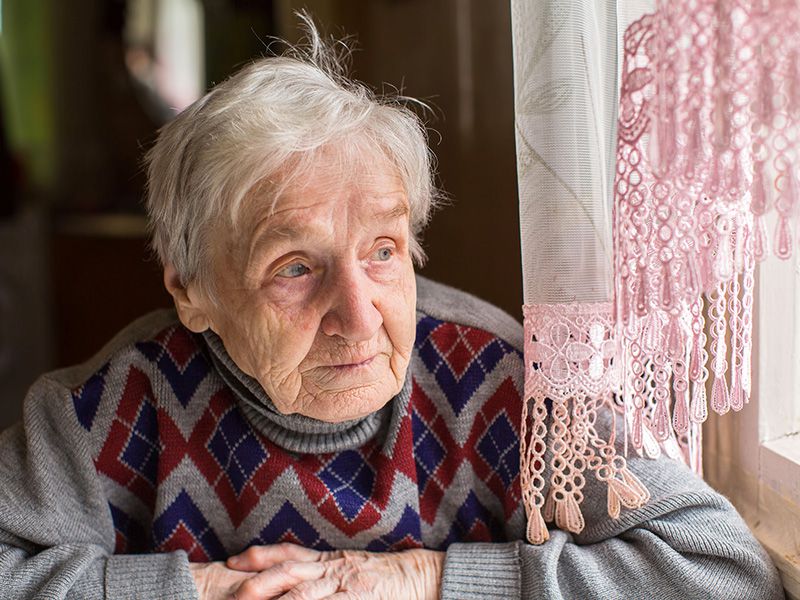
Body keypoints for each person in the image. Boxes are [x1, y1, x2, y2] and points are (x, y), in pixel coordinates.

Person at [0, 18, 785, 600]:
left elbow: (719, 571)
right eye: (296, 267)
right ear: (189, 291)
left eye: (382, 251)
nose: (360, 314)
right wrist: (200, 590)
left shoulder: (507, 383)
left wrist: (427, 579)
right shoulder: (105, 409)